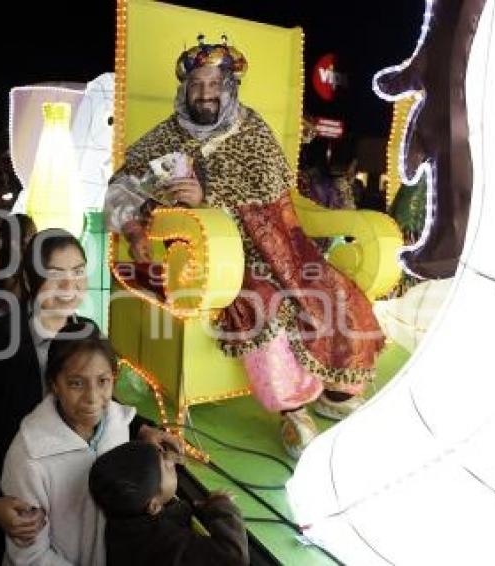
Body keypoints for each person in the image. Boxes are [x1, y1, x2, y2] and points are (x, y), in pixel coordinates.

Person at [104, 37, 384, 458]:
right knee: (265, 302)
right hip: (212, 256)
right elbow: (122, 185)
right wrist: (137, 230)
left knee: (330, 287)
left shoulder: (251, 128)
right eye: (196, 83)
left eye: (214, 83)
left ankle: (338, 388)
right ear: (185, 89)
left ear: (229, 86)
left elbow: (273, 193)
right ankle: (291, 407)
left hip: (278, 242)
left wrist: (210, 194)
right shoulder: (167, 135)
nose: (204, 93)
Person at [0, 229, 180, 564]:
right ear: (28, 279)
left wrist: (142, 430)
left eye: (78, 271)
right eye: (55, 276)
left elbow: (100, 402)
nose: (70, 287)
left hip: (76, 501)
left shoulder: (88, 331)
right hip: (14, 501)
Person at [1, 321, 135, 565]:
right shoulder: (29, 456)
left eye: (103, 381)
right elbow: (30, 557)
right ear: (54, 384)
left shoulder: (119, 425)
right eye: (76, 383)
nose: (92, 398)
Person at [89, 440, 249, 566]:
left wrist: (198, 507)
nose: (171, 461)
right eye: (166, 468)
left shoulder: (123, 519)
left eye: (161, 454)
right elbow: (233, 555)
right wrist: (222, 507)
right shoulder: (166, 546)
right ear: (154, 506)